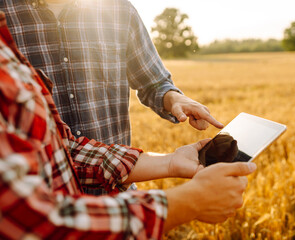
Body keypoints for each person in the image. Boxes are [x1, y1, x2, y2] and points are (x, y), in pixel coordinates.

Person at [0, 12, 256, 239]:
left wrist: (169, 161)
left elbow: (64, 148)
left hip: (119, 202)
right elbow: (23, 219)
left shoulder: (115, 9)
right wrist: (188, 202)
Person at [0, 0, 224, 147]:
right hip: (36, 202)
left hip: (116, 187)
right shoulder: (4, 14)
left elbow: (153, 83)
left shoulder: (118, 10)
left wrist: (174, 98)